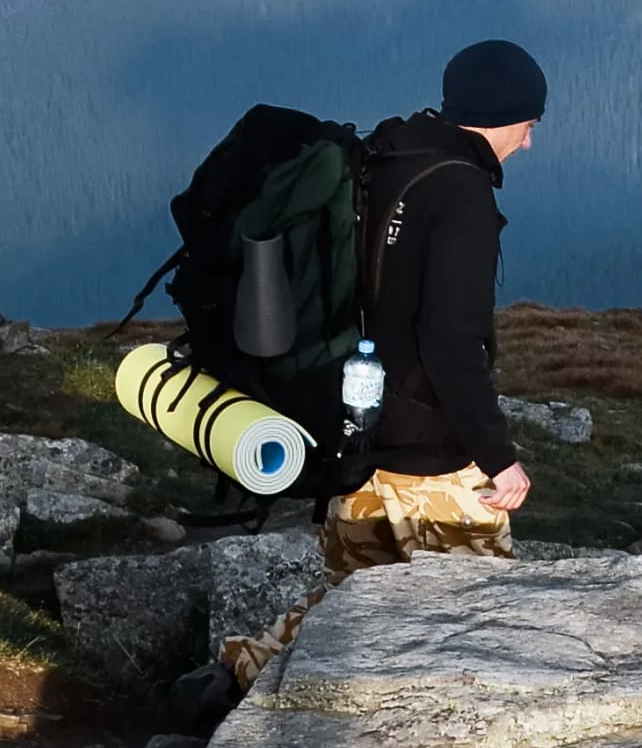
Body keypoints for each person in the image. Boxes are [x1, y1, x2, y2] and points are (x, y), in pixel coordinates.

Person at [215, 38, 544, 686]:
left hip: (355, 445)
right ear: (505, 114)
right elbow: (451, 343)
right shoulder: (462, 193)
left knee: (346, 612)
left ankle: (234, 685)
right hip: (432, 464)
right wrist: (499, 458)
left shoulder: (385, 156)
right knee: (483, 621)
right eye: (529, 124)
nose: (528, 142)